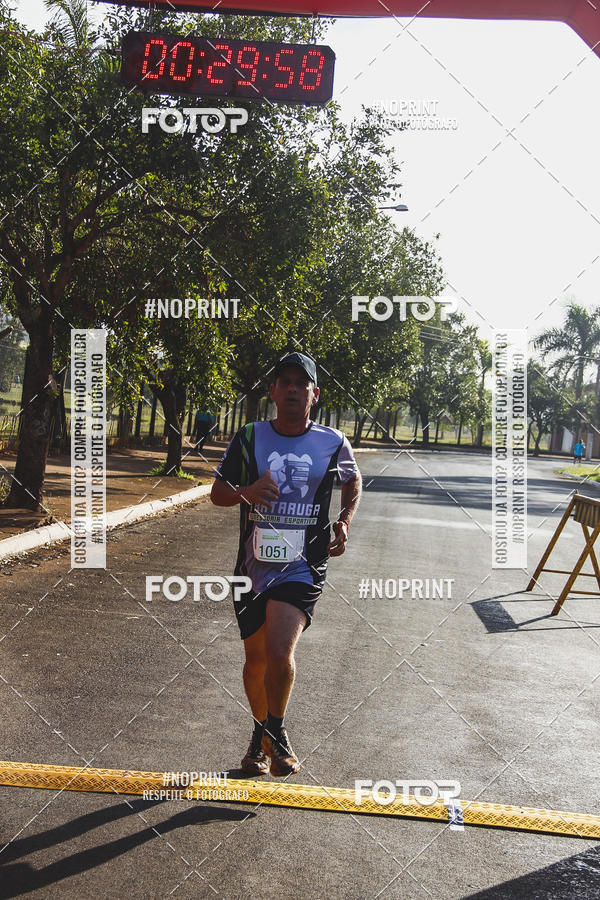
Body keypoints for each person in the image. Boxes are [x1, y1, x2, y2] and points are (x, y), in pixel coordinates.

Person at [210, 352, 362, 776]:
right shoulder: (249, 437)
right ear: (273, 392)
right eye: (285, 382)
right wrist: (248, 491)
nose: (293, 389)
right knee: (256, 661)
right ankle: (260, 735)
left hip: (303, 564)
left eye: (301, 383)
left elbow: (352, 478)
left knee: (280, 651)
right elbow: (218, 493)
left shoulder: (333, 442)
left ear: (315, 394)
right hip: (252, 565)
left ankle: (275, 736)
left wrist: (345, 519)